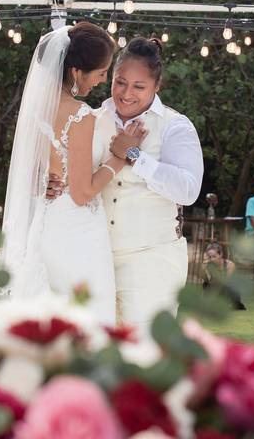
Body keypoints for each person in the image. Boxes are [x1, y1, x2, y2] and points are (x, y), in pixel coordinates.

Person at [0, 22, 144, 325]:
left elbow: (38, 169)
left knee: (52, 313)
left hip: (46, 222)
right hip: (76, 230)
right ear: (77, 72)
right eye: (101, 73)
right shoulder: (80, 114)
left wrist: (45, 181)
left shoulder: (36, 110)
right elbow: (82, 192)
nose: (103, 81)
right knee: (87, 316)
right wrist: (120, 157)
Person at [93, 37, 204, 329]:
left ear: (157, 86)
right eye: (120, 82)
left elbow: (188, 190)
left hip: (152, 259)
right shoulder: (92, 120)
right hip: (95, 257)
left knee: (144, 353)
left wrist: (133, 156)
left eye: (139, 87)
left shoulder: (175, 125)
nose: (127, 94)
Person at [203, 242, 246, 310]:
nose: (212, 259)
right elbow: (210, 282)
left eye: (214, 256)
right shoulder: (208, 265)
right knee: (206, 284)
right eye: (210, 257)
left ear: (221, 254)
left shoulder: (230, 265)